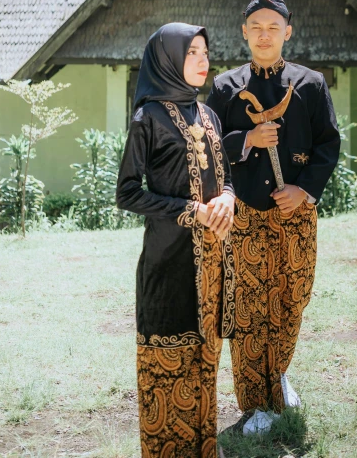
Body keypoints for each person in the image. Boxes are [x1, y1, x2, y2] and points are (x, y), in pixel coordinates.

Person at [206, 0, 340, 435]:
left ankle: (277, 374)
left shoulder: (311, 84)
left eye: (273, 27)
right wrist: (246, 140)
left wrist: (304, 189)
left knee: (291, 298)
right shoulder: (226, 87)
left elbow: (328, 143)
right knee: (248, 307)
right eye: (256, 27)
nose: (265, 35)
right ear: (244, 32)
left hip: (294, 215)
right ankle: (255, 403)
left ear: (288, 31)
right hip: (243, 214)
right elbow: (210, 148)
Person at [116, 22, 235, 458]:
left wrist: (228, 198)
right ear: (167, 58)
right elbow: (126, 192)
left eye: (205, 52)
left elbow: (227, 179)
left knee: (206, 360)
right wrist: (192, 212)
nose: (204, 60)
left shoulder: (209, 116)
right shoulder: (147, 117)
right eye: (192, 52)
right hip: (168, 263)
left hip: (214, 263)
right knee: (169, 362)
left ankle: (207, 447)